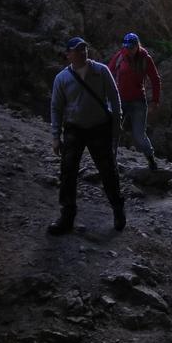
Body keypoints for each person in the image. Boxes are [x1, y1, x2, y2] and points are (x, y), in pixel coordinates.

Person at [49, 36, 125, 235]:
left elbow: (115, 100)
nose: (83, 52)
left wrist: (116, 128)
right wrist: (56, 136)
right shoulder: (62, 79)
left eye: (84, 49)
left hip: (99, 127)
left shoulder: (101, 71)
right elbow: (56, 108)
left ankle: (118, 208)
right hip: (74, 128)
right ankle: (67, 216)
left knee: (108, 170)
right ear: (68, 54)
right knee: (68, 172)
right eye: (77, 49)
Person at [107, 32, 161, 171]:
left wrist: (155, 100)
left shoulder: (145, 59)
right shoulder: (120, 56)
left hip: (138, 102)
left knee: (139, 136)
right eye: (126, 47)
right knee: (113, 131)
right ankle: (111, 162)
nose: (129, 50)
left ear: (137, 46)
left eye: (131, 47)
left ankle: (151, 160)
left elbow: (155, 79)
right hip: (119, 100)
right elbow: (107, 72)